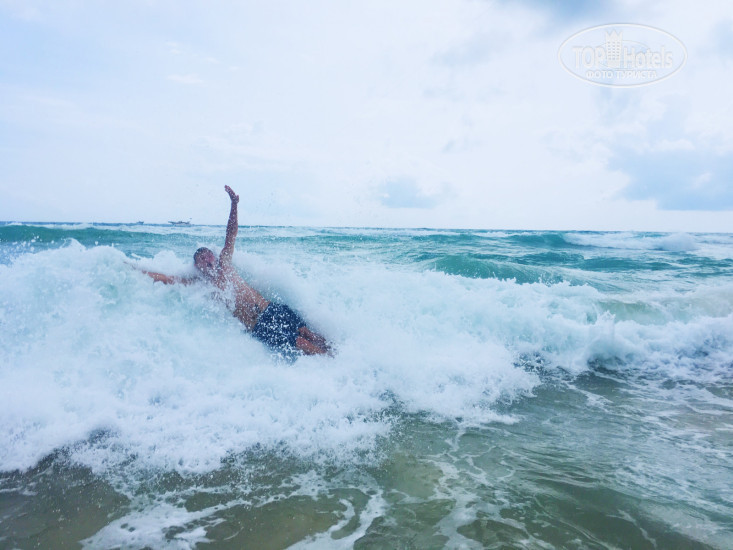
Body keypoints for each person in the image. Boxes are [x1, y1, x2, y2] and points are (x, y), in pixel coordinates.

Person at [140, 185, 331, 357]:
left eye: (208, 255)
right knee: (300, 343)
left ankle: (338, 353)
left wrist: (234, 204)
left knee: (308, 334)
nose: (207, 260)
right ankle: (331, 362)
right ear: (197, 267)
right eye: (201, 259)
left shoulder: (225, 264)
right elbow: (168, 279)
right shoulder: (202, 284)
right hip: (259, 325)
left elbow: (231, 233)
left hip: (271, 309)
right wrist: (135, 269)